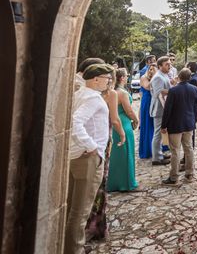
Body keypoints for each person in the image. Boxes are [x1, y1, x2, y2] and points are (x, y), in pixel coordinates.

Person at [65, 63, 112, 254]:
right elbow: (76, 122)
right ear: (96, 79)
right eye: (107, 78)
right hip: (88, 159)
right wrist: (91, 145)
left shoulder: (80, 94)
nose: (109, 82)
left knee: (72, 207)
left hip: (77, 156)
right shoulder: (92, 98)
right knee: (81, 210)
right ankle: (73, 249)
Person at [85, 66, 125, 242]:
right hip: (100, 140)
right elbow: (114, 119)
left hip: (89, 141)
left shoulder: (87, 92)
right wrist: (122, 134)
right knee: (100, 180)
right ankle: (96, 224)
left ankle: (90, 222)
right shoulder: (110, 94)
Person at [161, 68, 197, 185]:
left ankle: (174, 177)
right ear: (189, 78)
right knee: (189, 148)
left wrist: (164, 125)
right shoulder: (194, 89)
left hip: (175, 124)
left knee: (175, 150)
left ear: (178, 77)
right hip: (189, 123)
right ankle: (189, 173)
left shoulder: (173, 91)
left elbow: (167, 110)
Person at [107, 68, 139, 192]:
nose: (127, 77)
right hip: (123, 122)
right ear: (121, 78)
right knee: (127, 152)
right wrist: (136, 120)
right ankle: (127, 183)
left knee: (117, 154)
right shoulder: (122, 93)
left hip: (114, 123)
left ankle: (115, 182)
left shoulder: (111, 91)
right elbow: (129, 110)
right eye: (126, 75)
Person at [150, 56, 172, 165]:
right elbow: (159, 92)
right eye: (167, 64)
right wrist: (174, 90)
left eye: (169, 64)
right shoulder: (158, 77)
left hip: (164, 107)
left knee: (161, 132)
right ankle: (156, 158)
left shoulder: (164, 74)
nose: (169, 65)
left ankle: (159, 153)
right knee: (158, 133)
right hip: (159, 108)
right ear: (160, 66)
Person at [138, 55, 156, 159]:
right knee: (148, 125)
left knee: (155, 126)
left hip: (155, 102)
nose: (152, 70)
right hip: (147, 101)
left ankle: (156, 147)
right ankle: (147, 149)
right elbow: (148, 87)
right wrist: (154, 77)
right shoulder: (144, 77)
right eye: (151, 68)